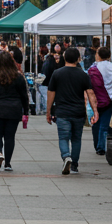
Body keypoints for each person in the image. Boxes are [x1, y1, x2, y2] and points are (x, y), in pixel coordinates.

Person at [47, 46, 97, 175]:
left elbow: (51, 93)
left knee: (63, 137)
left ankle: (66, 156)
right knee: (76, 139)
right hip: (78, 112)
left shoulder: (57, 73)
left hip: (62, 111)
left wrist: (48, 111)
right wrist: (95, 111)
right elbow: (90, 93)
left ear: (64, 58)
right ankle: (74, 164)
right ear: (78, 59)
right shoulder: (83, 74)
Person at [0, 51, 28, 171]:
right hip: (13, 109)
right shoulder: (18, 77)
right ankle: (8, 163)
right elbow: (24, 96)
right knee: (10, 137)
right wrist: (26, 112)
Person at [90, 46, 112, 155]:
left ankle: (98, 145)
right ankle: (101, 146)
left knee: (96, 122)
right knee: (105, 124)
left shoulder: (93, 69)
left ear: (98, 55)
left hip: (96, 99)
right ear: (109, 56)